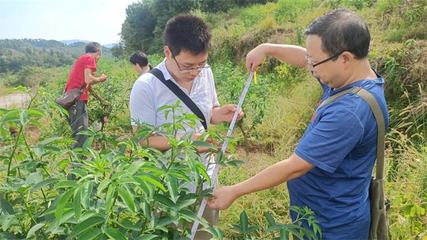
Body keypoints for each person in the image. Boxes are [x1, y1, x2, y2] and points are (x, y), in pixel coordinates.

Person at [208, 8, 389, 240]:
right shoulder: (350, 78)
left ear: (345, 58)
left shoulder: (350, 111)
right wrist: (267, 48)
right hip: (319, 215)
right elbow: (305, 59)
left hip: (333, 227)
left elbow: (296, 166)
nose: (310, 67)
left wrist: (234, 190)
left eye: (315, 62)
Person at [129, 15, 243, 239]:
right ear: (168, 52)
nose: (195, 71)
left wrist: (222, 114)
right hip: (167, 184)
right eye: (188, 65)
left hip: (204, 177)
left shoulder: (205, 72)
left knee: (204, 233)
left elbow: (208, 112)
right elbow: (142, 139)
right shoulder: (146, 87)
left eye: (201, 64)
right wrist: (189, 143)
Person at [63, 42, 108, 148]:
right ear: (98, 52)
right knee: (81, 133)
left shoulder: (83, 58)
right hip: (77, 100)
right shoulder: (89, 58)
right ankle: (77, 163)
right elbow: (88, 79)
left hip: (71, 100)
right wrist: (100, 79)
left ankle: (78, 160)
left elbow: (87, 81)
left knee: (79, 132)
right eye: (99, 56)